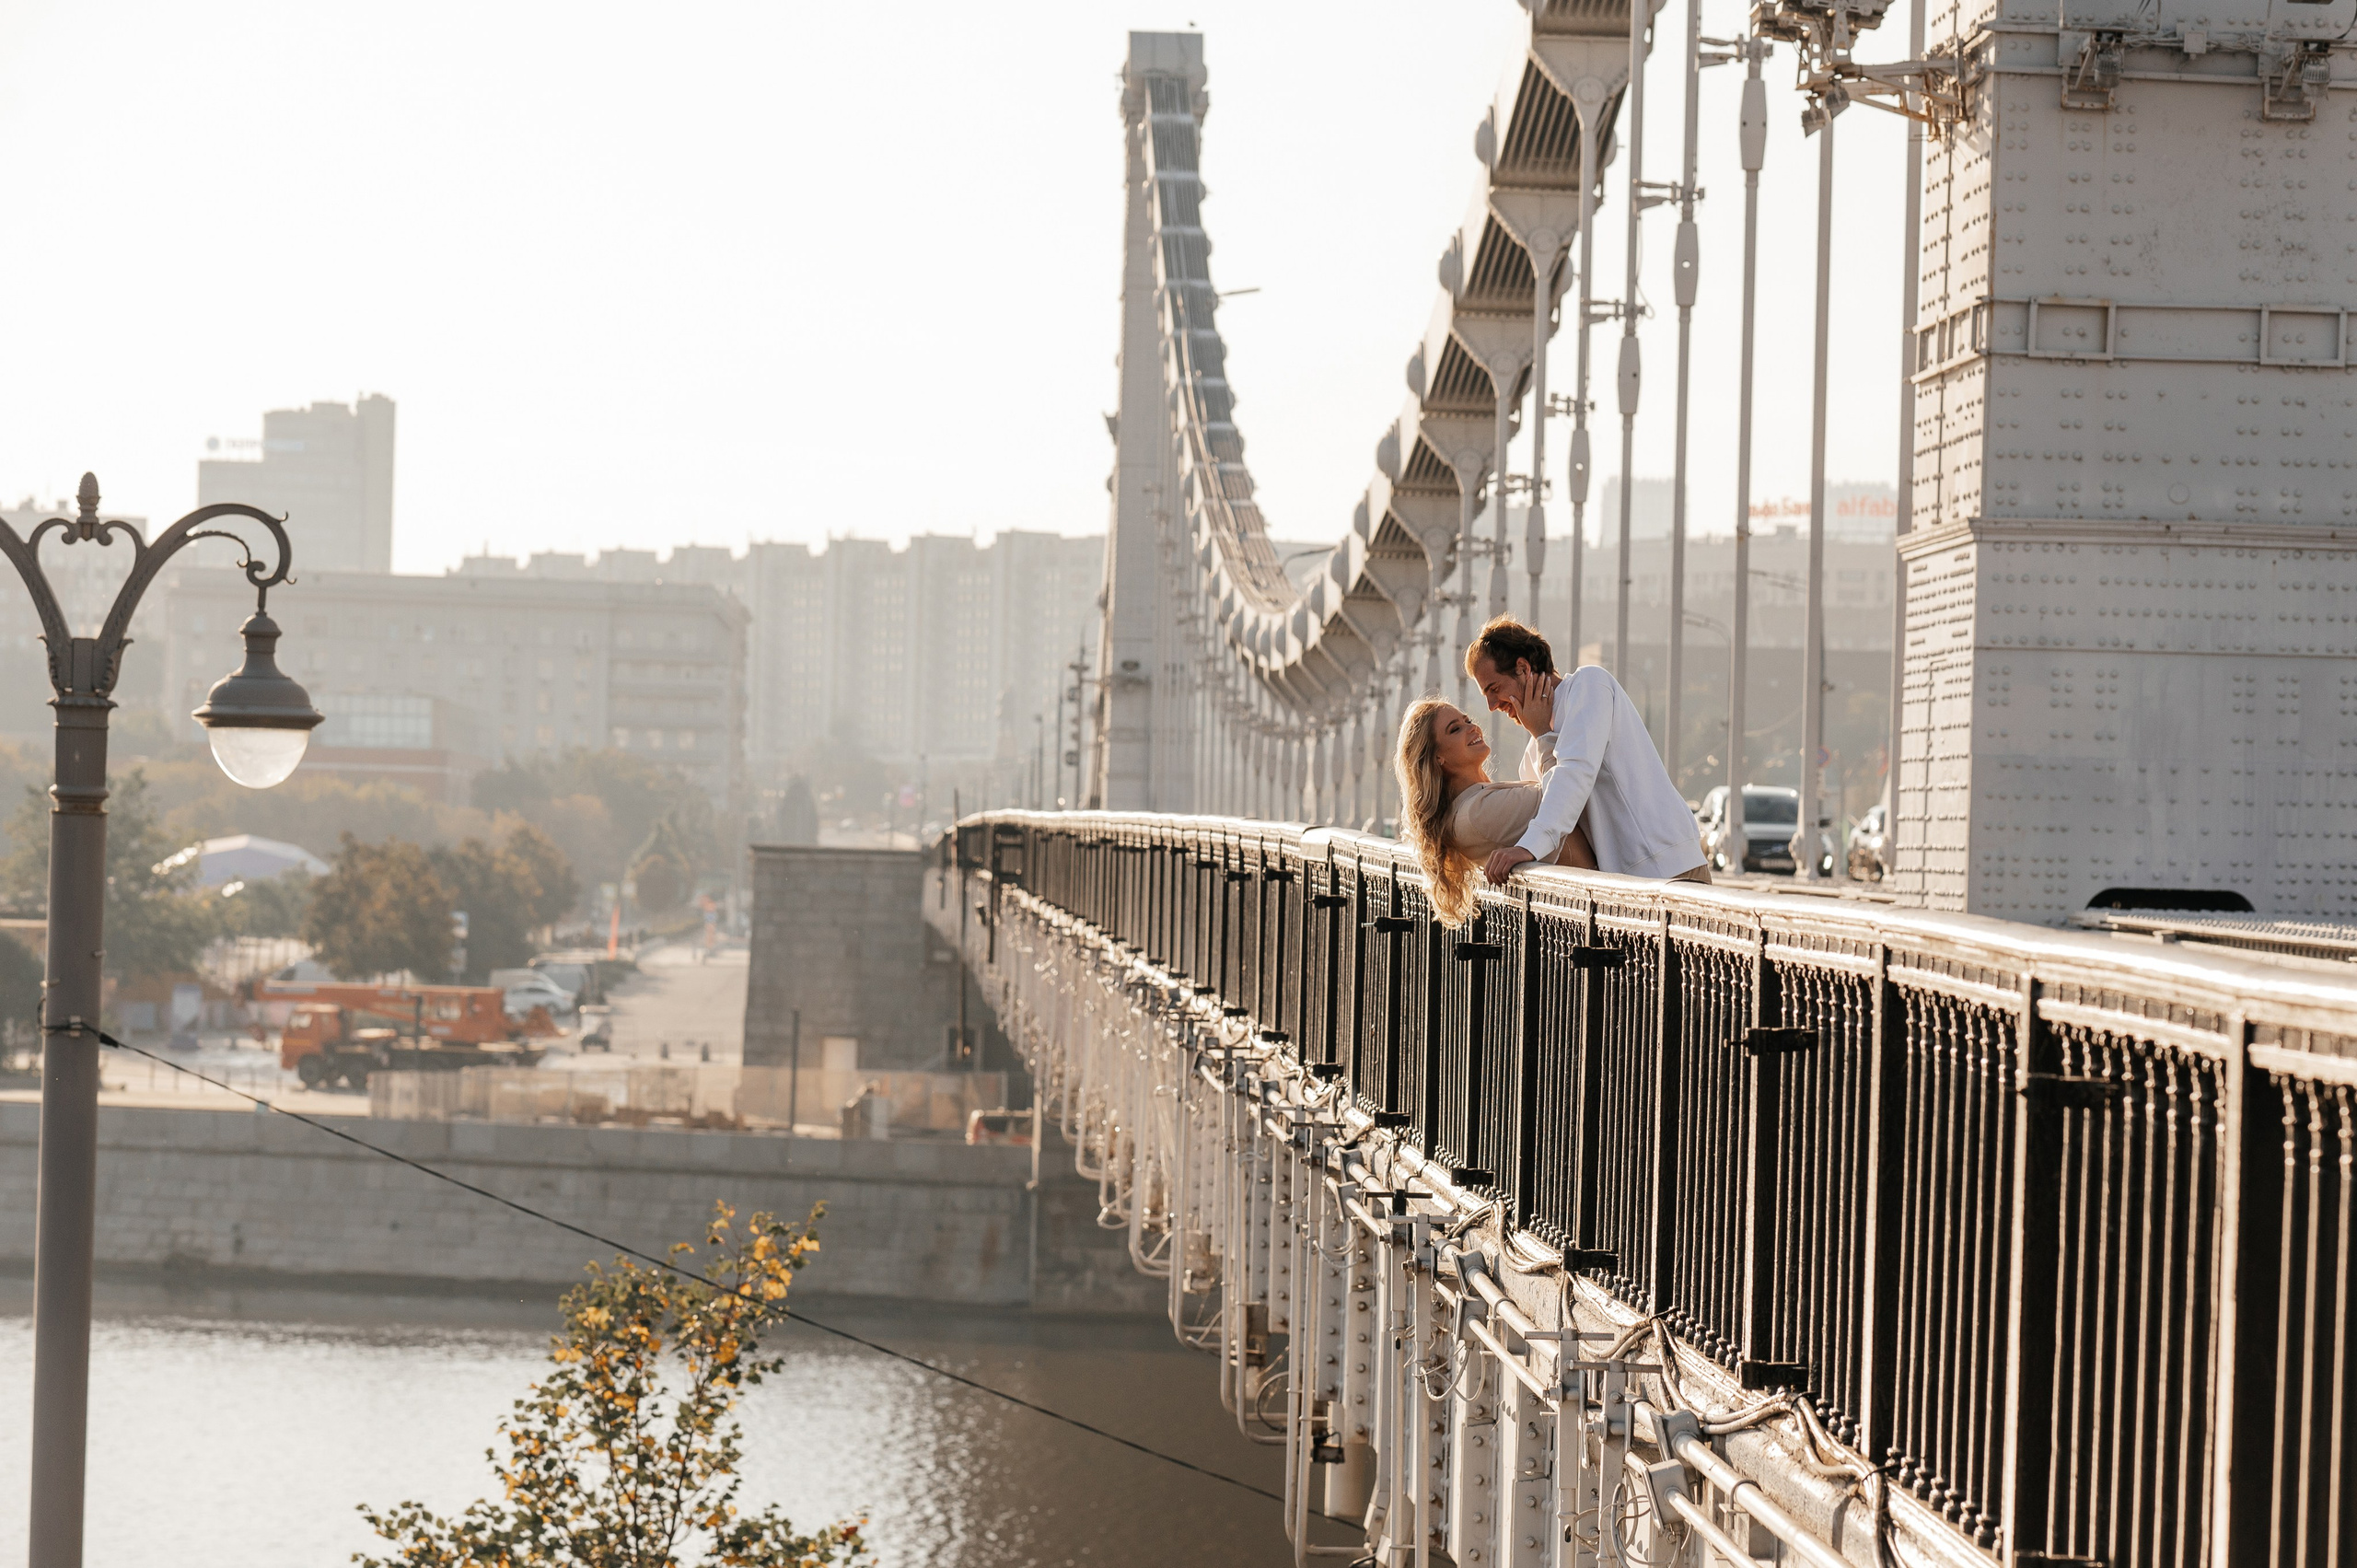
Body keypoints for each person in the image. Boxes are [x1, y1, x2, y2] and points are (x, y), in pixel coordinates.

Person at [1464, 616, 1710, 887]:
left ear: (1522, 668)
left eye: (1494, 689)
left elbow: (1575, 771)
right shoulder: (1533, 754)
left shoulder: (1589, 685)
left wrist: (1528, 848)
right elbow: (1558, 812)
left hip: (1670, 869)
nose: (1491, 705)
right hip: (1619, 888)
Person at [1394, 697, 1596, 926]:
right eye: (1456, 729)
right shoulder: (1477, 812)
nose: (1472, 728)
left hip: (1588, 908)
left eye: (1467, 720)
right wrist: (1541, 731)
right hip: (1599, 905)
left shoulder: (1470, 806)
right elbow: (1564, 792)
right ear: (1437, 757)